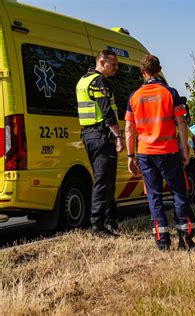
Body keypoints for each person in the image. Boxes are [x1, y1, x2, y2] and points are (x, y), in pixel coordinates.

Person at [125, 54, 195, 251]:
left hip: (145, 153)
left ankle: (162, 241)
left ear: (142, 71)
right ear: (159, 69)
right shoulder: (170, 93)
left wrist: (130, 156)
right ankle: (186, 239)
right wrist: (185, 149)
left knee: (154, 196)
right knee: (178, 194)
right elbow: (181, 123)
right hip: (168, 152)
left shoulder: (134, 96)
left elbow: (128, 129)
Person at [76, 49, 124, 238]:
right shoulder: (98, 82)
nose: (116, 68)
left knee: (105, 179)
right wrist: (118, 136)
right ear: (102, 62)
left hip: (89, 135)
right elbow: (106, 111)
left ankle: (111, 218)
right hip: (101, 135)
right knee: (104, 180)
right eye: (113, 64)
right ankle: (98, 225)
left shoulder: (82, 80)